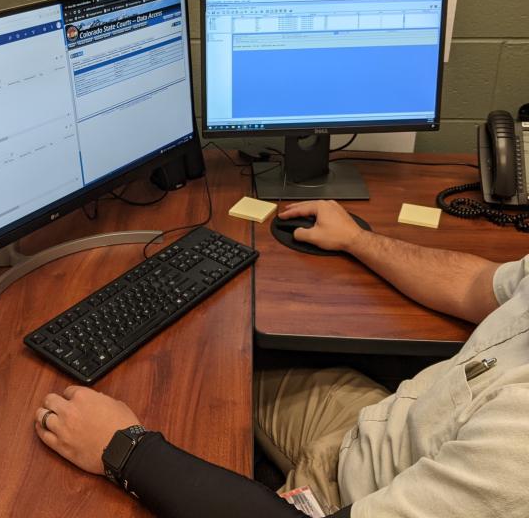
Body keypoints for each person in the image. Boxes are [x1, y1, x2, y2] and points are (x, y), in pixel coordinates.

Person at [33, 200, 529, 517]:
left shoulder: (517, 446)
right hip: (385, 423)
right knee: (208, 373)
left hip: (357, 496)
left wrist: (125, 450)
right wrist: (358, 239)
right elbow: (475, 285)